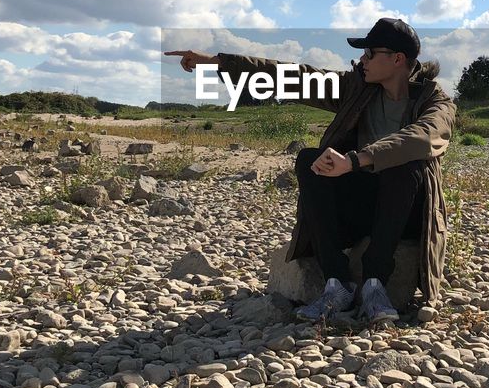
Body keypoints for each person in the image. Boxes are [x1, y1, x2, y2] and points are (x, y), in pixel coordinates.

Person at [165, 17, 455, 323]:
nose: (362, 60)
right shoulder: (356, 88)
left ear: (397, 59)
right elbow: (292, 77)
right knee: (309, 160)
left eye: (369, 53)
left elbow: (423, 137)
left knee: (405, 167)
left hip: (405, 213)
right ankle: (337, 284)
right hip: (362, 208)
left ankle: (375, 285)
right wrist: (217, 62)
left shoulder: (435, 101)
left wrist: (356, 160)